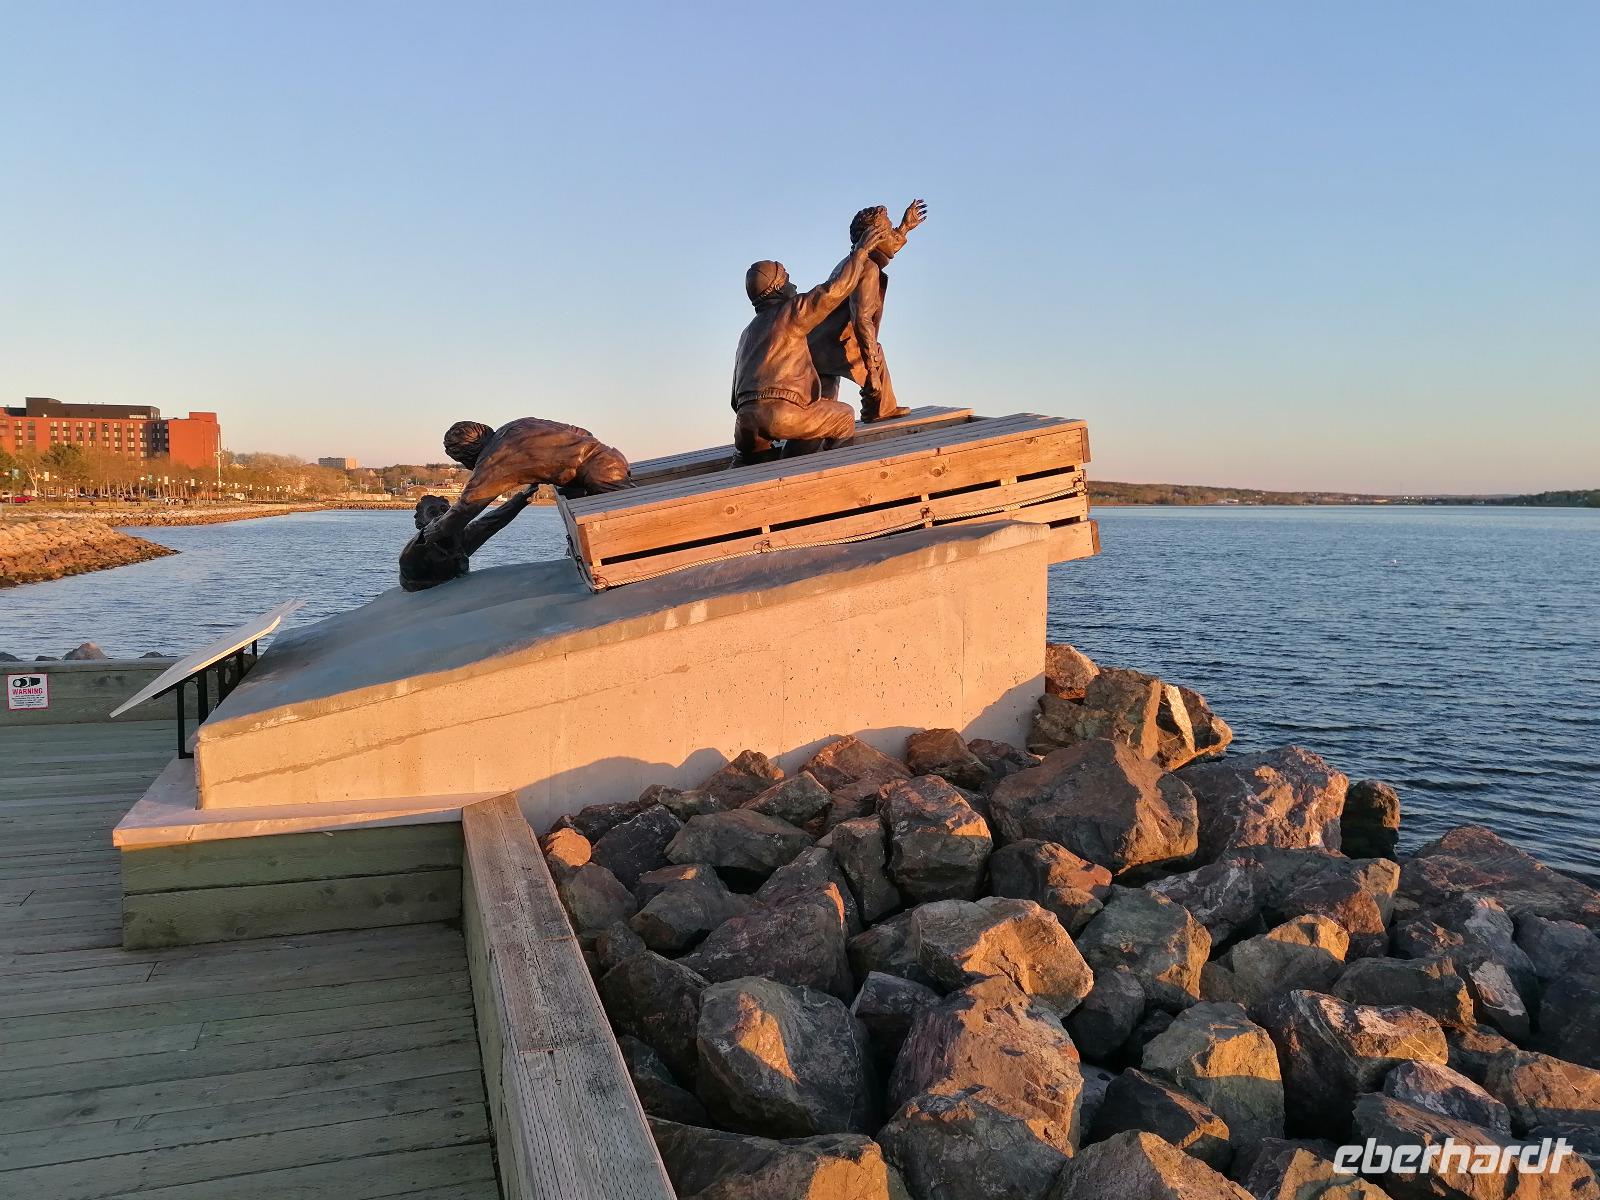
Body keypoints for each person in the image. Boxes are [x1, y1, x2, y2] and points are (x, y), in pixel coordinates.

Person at [730, 216, 900, 466]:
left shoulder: (747, 333)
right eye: (788, 281)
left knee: (763, 458)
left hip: (744, 423)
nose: (794, 285)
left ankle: (774, 468)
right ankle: (835, 477)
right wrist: (861, 253)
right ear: (776, 289)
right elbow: (832, 291)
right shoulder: (791, 312)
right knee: (843, 416)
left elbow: (734, 397)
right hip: (778, 415)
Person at [400, 417, 631, 590]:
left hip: (601, 476)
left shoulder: (493, 460)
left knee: (626, 530)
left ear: (466, 455)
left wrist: (432, 531)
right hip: (611, 460)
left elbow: (467, 507)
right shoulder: (514, 427)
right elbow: (579, 432)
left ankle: (622, 567)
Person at [809, 199, 927, 422]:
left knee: (822, 411)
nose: (892, 235)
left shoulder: (853, 261)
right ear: (874, 237)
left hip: (818, 346)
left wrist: (904, 227)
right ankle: (879, 408)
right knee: (875, 353)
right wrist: (871, 370)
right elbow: (862, 320)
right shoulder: (867, 268)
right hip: (836, 344)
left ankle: (869, 409)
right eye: (888, 230)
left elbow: (887, 247)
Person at [397, 486, 533, 592]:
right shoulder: (414, 552)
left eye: (446, 510)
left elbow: (491, 521)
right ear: (421, 523)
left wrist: (520, 500)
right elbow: (409, 574)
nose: (442, 514)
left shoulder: (462, 538)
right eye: (432, 513)